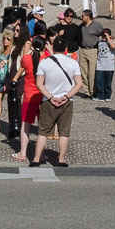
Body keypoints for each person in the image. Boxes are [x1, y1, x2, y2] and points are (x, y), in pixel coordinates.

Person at [35, 36, 81, 168]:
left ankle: (37, 159)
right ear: (66, 49)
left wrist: (50, 97)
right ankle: (61, 160)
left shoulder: (44, 62)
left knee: (43, 131)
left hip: (48, 101)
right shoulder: (73, 63)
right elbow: (78, 84)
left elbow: (39, 83)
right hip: (66, 101)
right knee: (64, 132)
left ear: (53, 48)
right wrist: (66, 96)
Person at [10, 35, 47, 163]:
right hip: (43, 95)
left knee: (26, 125)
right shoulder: (46, 59)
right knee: (42, 127)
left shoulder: (26, 58)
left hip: (29, 95)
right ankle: (40, 154)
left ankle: (23, 152)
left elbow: (24, 64)